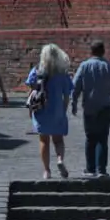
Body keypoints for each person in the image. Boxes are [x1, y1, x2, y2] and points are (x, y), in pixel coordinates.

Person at [70, 40, 110, 178]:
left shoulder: (84, 66)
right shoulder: (109, 67)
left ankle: (90, 168)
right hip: (105, 107)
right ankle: (101, 169)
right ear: (103, 51)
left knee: (90, 138)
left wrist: (73, 102)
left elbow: (76, 85)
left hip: (89, 107)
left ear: (91, 51)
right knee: (102, 139)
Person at [25, 44, 74, 180]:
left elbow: (32, 90)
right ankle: (59, 159)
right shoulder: (62, 75)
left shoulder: (36, 71)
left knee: (43, 140)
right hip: (57, 109)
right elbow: (66, 96)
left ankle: (46, 171)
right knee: (58, 140)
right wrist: (63, 110)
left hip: (41, 109)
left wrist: (30, 108)